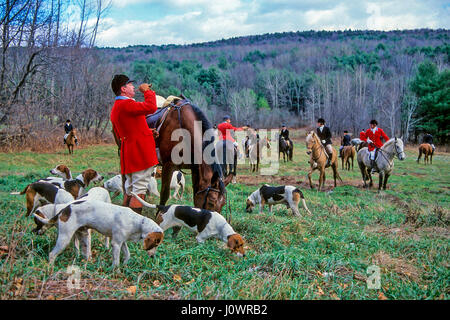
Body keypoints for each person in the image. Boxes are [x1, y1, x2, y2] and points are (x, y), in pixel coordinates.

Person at [110, 74, 158, 214]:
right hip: (140, 152)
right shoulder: (127, 104)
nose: (133, 87)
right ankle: (133, 223)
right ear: (123, 89)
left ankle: (124, 219)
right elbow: (151, 107)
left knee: (130, 187)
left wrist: (148, 132)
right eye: (130, 85)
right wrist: (147, 91)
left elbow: (126, 131)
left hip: (129, 151)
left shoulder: (117, 106)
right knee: (139, 188)